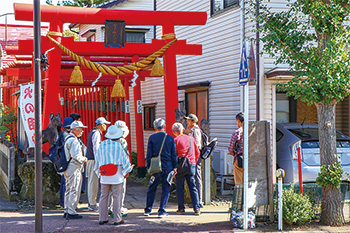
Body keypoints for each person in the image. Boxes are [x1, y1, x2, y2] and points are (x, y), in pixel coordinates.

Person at [94, 125, 132, 226]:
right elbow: (125, 160)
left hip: (104, 175)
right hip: (117, 175)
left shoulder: (102, 145)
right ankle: (117, 219)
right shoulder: (118, 145)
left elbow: (97, 161)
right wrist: (126, 171)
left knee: (103, 196)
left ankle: (102, 218)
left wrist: (99, 172)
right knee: (116, 197)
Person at [144, 118, 177, 218]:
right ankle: (162, 211)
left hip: (155, 166)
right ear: (165, 126)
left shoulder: (152, 138)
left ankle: (148, 210)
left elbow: (149, 153)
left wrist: (148, 166)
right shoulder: (170, 138)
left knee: (152, 187)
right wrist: (175, 167)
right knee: (166, 188)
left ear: (154, 128)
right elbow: (173, 154)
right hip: (168, 166)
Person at [172, 122, 201, 216]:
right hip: (191, 164)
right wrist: (194, 162)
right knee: (193, 187)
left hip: (180, 165)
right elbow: (197, 152)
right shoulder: (191, 138)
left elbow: (173, 155)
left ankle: (181, 208)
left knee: (180, 187)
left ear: (174, 132)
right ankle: (197, 208)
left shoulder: (175, 140)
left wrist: (173, 167)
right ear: (183, 129)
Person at [63, 120, 88, 219]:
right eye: (80, 129)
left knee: (68, 188)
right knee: (74, 188)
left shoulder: (67, 139)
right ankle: (71, 211)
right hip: (74, 167)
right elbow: (76, 156)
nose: (82, 131)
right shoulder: (74, 141)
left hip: (68, 166)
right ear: (75, 130)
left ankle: (67, 209)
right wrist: (84, 159)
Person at [86, 117, 111, 211]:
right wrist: (99, 162)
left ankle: (91, 202)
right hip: (93, 160)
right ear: (101, 125)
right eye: (105, 124)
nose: (106, 126)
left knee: (92, 182)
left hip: (91, 160)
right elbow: (96, 149)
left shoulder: (92, 132)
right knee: (93, 182)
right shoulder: (96, 134)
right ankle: (92, 204)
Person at [185, 114, 204, 208]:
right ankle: (196, 200)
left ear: (193, 121)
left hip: (196, 157)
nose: (187, 122)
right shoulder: (191, 130)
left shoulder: (196, 130)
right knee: (194, 177)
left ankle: (199, 201)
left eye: (188, 120)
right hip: (193, 157)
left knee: (196, 177)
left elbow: (197, 145)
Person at [58, 117, 74, 209]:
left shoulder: (63, 134)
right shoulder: (65, 135)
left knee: (64, 182)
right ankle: (64, 202)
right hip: (66, 161)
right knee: (65, 183)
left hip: (63, 160)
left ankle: (63, 202)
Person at [228, 112, 244, 185]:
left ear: (238, 121)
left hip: (240, 158)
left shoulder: (237, 132)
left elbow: (230, 149)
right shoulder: (251, 131)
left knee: (239, 181)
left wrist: (234, 154)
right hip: (251, 159)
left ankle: (240, 196)